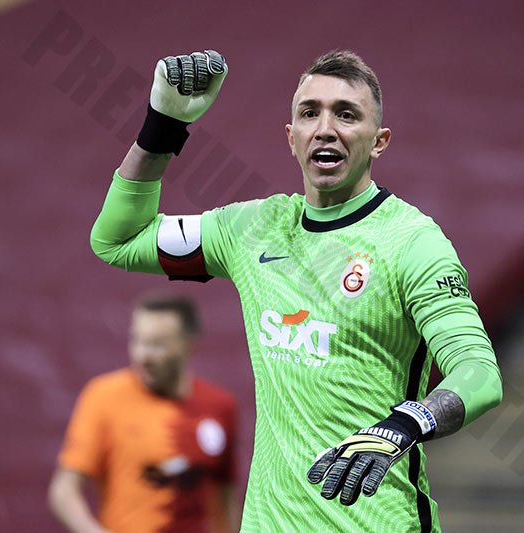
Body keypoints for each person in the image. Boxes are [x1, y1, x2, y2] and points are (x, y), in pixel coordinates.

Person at [89, 49, 502, 532]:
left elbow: (479, 374)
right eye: (310, 113)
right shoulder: (253, 229)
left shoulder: (413, 243)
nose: (325, 128)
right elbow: (116, 241)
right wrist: (162, 126)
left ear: (379, 141)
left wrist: (404, 425)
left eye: (346, 115)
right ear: (292, 138)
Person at [48, 294, 239, 533]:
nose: (143, 356)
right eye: (137, 341)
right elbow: (64, 491)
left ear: (188, 345)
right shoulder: (104, 396)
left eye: (157, 345)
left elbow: (224, 497)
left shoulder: (219, 406)